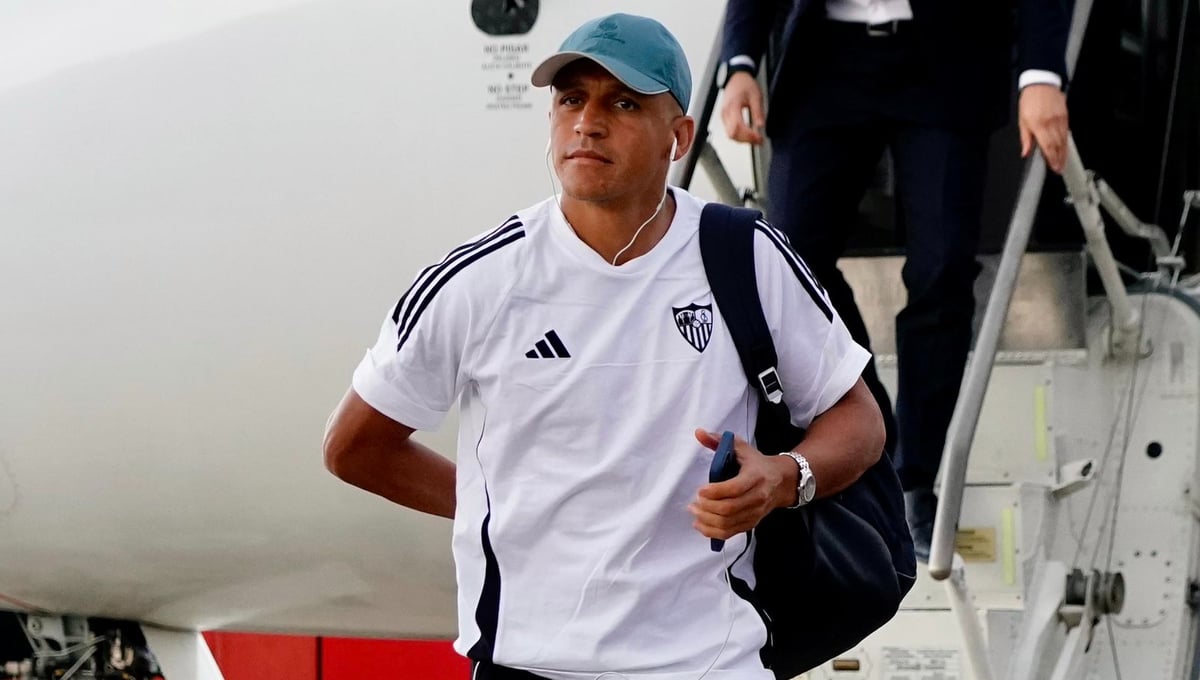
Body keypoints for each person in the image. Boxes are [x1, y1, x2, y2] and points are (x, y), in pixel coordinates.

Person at [324, 12, 885, 680]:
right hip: (529, 666)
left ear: (679, 136)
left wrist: (784, 478)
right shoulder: (482, 278)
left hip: (712, 664)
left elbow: (859, 419)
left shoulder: (747, 254)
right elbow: (355, 446)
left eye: (623, 103)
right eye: (570, 99)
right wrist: (501, 507)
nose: (587, 123)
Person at [719, 0, 1072, 561]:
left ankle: (915, 480)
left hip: (947, 58)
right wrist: (739, 62)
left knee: (942, 272)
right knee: (788, 265)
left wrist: (1042, 74)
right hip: (824, 59)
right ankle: (874, 431)